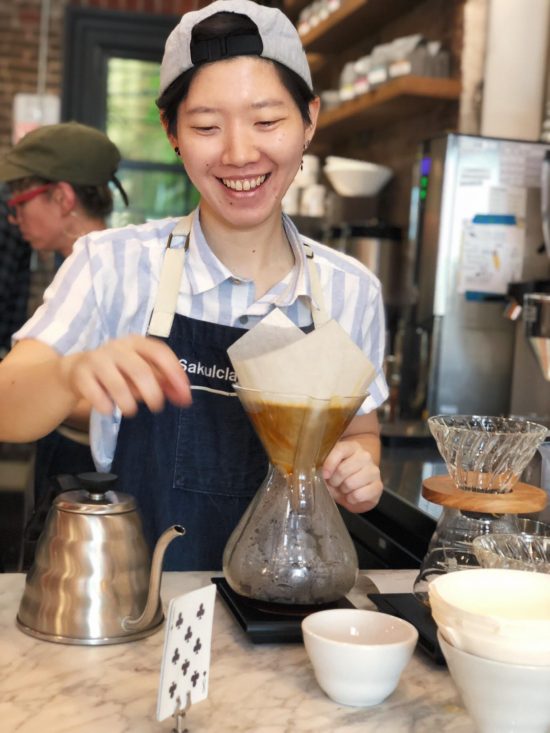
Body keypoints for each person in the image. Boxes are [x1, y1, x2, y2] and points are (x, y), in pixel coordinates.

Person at [0, 0, 388, 570]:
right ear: (172, 132)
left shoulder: (350, 291)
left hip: (281, 613)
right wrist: (65, 373)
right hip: (137, 609)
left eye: (267, 121)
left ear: (309, 119)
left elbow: (361, 430)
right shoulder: (113, 264)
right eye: (207, 126)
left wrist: (358, 467)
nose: (238, 153)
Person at [0, 122, 129, 531]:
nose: (14, 215)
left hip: (88, 471)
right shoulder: (71, 267)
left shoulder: (106, 270)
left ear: (62, 196)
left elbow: (120, 408)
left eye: (20, 201)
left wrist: (40, 394)